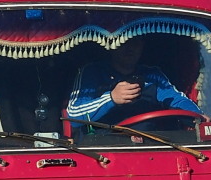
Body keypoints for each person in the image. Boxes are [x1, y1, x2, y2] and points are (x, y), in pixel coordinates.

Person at [66, 38, 201, 124]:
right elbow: (73, 115)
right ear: (112, 44)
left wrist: (199, 117)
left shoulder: (153, 75)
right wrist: (111, 98)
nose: (130, 47)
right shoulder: (92, 72)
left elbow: (177, 100)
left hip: (154, 146)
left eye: (136, 42)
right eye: (124, 41)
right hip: (105, 150)